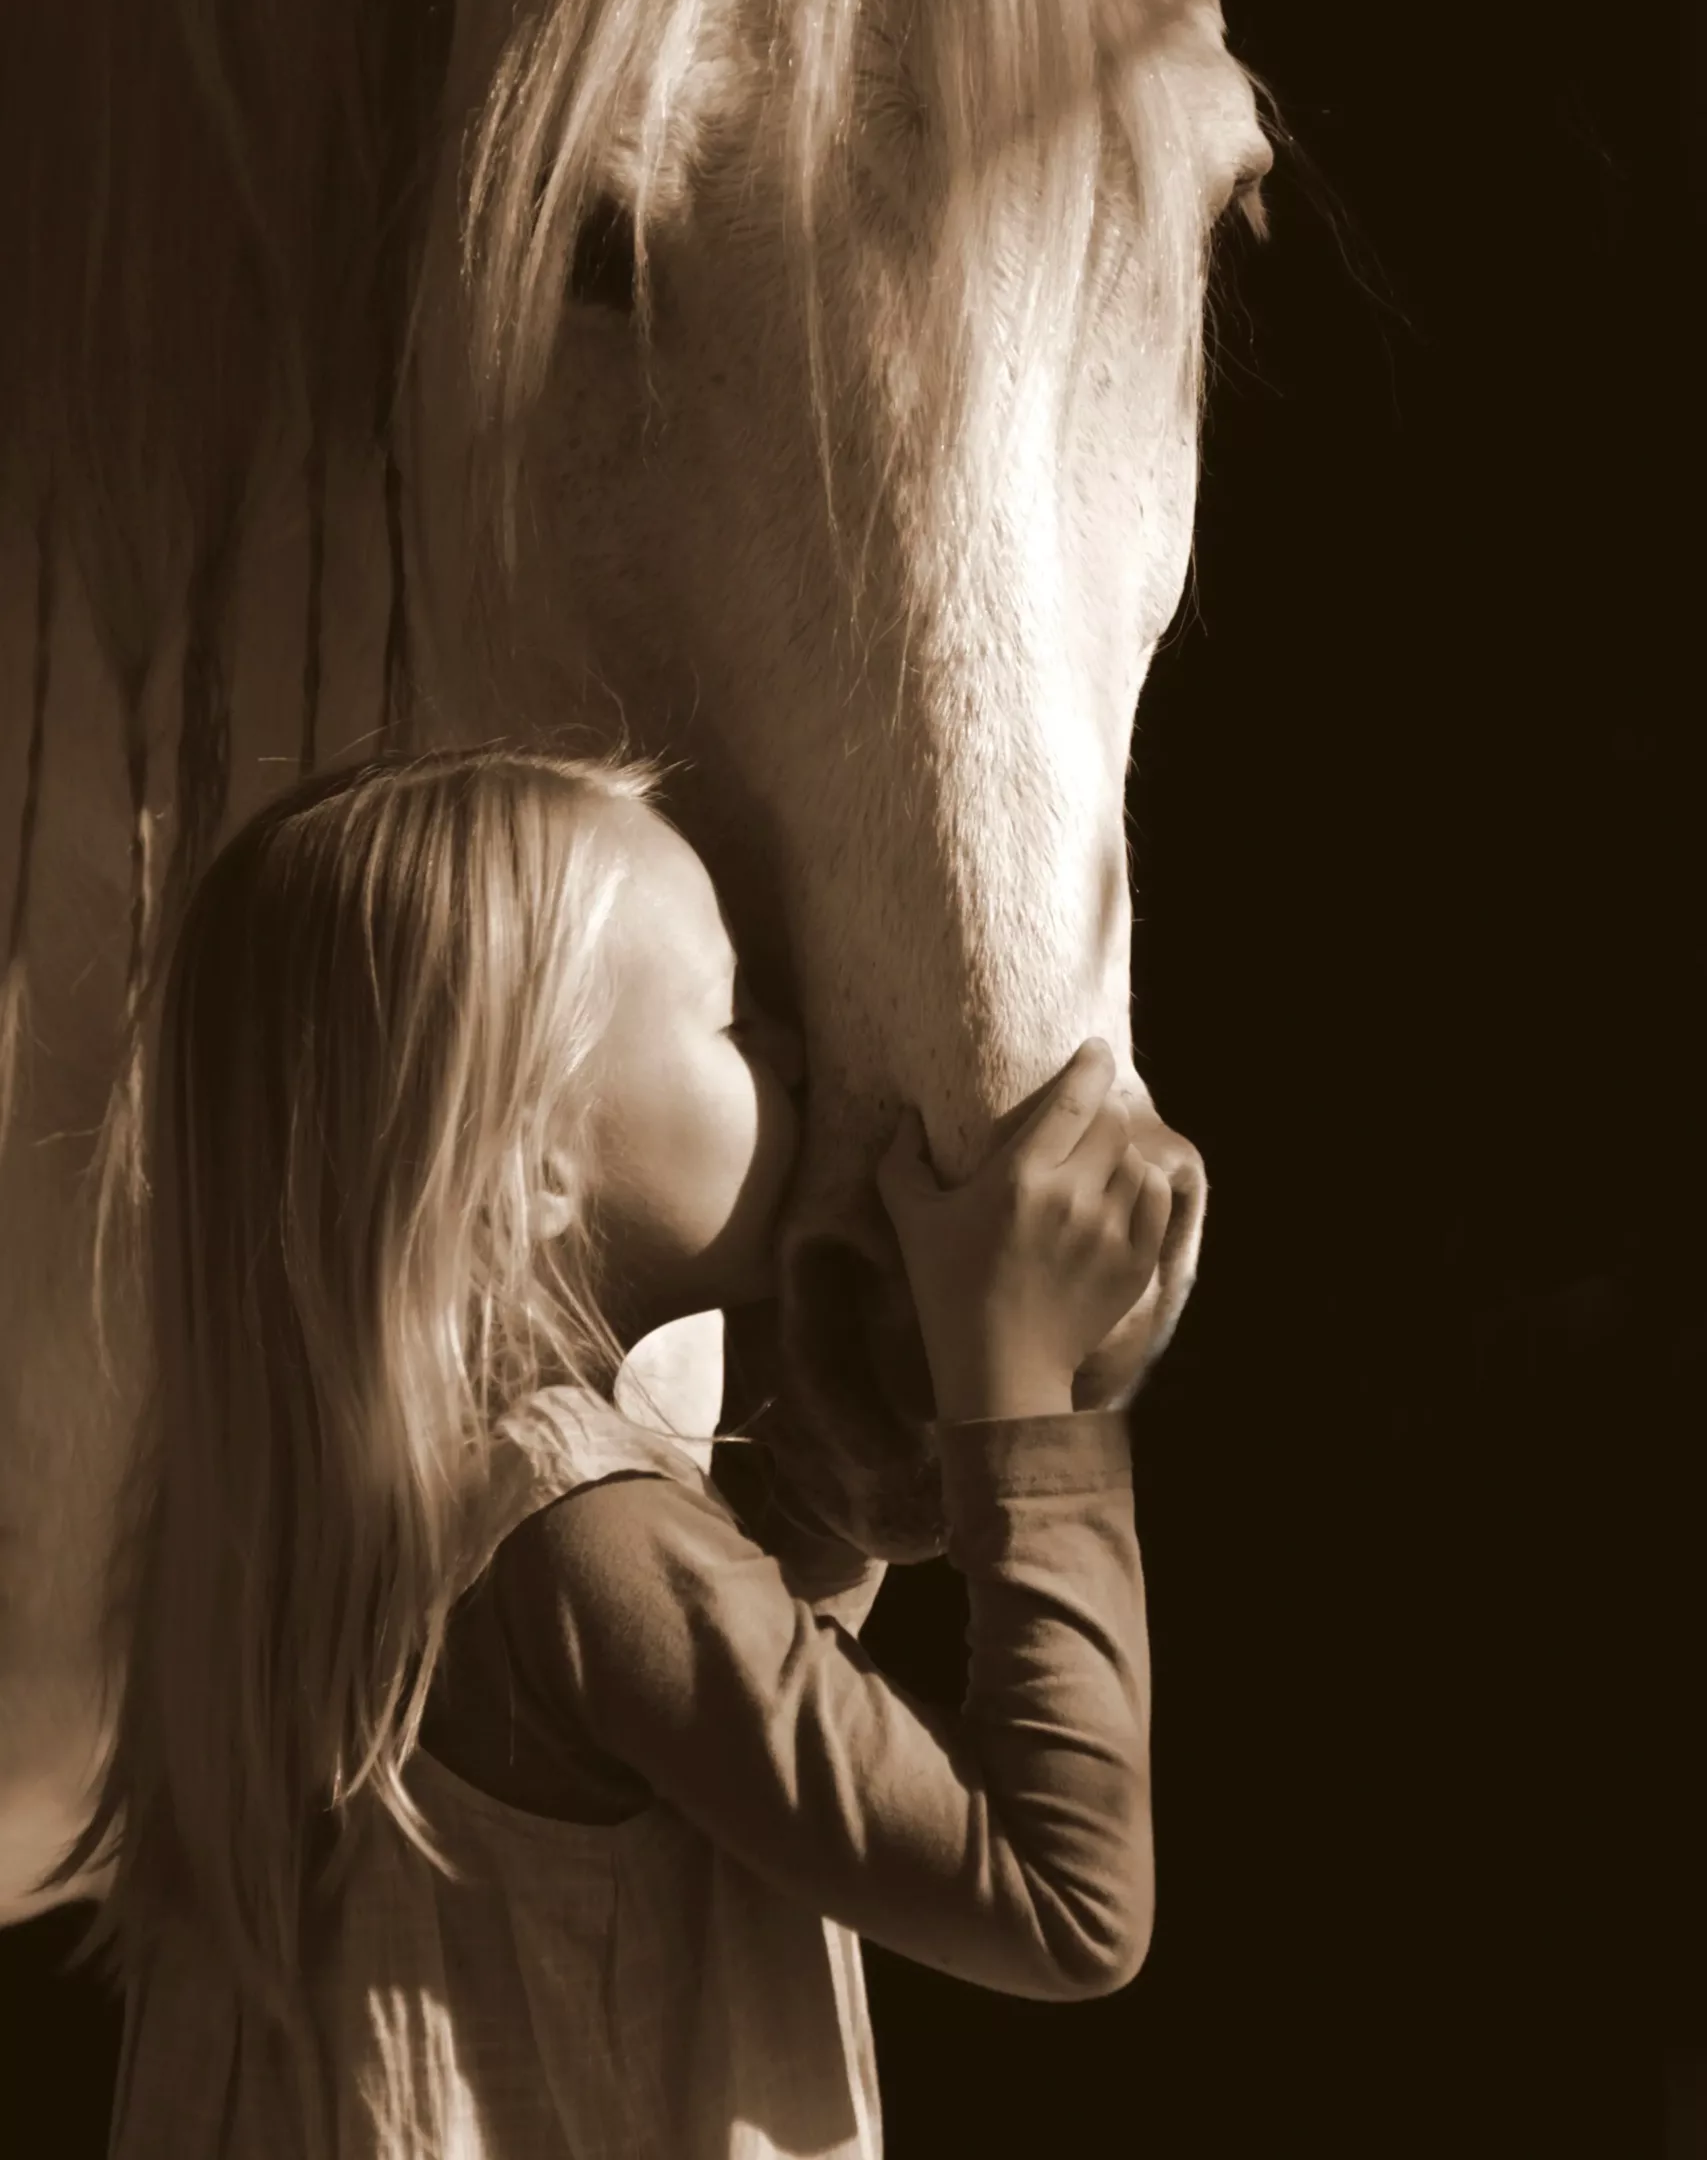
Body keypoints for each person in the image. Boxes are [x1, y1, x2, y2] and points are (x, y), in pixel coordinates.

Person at [42, 744, 1176, 2158]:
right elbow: (1064, 1903)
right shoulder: (583, 1542)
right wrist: (1027, 1390)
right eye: (732, 1020)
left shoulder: (315, 1526)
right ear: (532, 1171)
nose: (799, 1054)